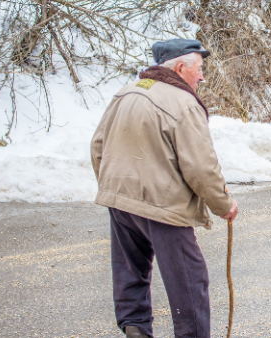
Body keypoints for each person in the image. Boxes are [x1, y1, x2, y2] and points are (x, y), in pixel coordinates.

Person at [91, 39, 238, 338]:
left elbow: (97, 147)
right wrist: (223, 204)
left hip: (121, 201)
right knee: (188, 280)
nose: (202, 77)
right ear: (181, 67)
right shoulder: (183, 104)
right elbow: (200, 167)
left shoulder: (127, 92)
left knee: (131, 271)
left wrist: (116, 188)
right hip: (163, 206)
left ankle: (135, 329)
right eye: (199, 69)